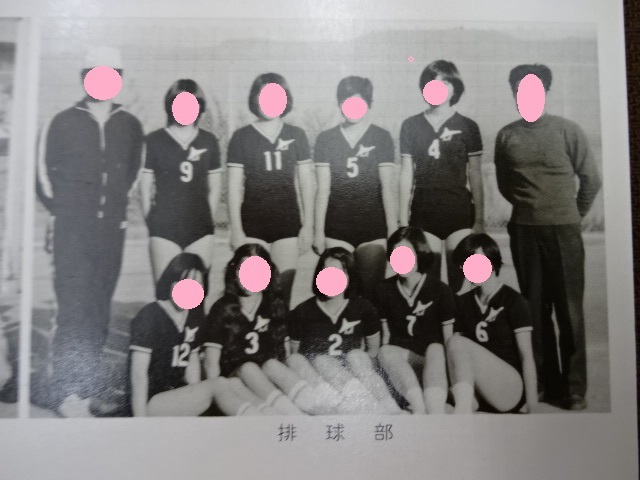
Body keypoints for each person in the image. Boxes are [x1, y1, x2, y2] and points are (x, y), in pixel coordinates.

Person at [35, 46, 144, 417]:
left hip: (111, 231)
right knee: (73, 307)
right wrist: (66, 212)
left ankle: (87, 390)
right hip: (71, 230)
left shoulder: (130, 125)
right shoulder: (62, 121)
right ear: (84, 78)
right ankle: (67, 393)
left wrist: (112, 211)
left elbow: (132, 174)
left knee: (99, 308)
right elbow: (42, 175)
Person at [494, 64, 602, 410]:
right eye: (519, 90)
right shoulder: (506, 136)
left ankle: (574, 388)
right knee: (534, 309)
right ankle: (544, 382)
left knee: (569, 310)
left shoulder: (568, 131)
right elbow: (505, 184)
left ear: (545, 92)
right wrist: (529, 209)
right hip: (525, 231)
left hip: (564, 230)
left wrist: (572, 215)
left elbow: (591, 179)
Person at [129, 253, 257, 417]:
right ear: (171, 281)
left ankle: (266, 415)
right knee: (218, 385)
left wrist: (197, 400)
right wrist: (140, 421)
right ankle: (257, 423)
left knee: (233, 383)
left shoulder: (193, 317)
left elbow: (192, 369)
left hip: (178, 397)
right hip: (152, 401)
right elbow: (138, 377)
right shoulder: (150, 315)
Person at [227, 73, 315, 306]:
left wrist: (308, 225)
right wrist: (236, 230)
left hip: (287, 223)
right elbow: (233, 187)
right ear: (255, 98)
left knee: (281, 296)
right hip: (251, 225)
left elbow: (307, 183)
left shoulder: (296, 134)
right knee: (249, 296)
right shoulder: (241, 137)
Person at [203, 244, 321, 415]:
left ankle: (316, 408)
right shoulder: (222, 308)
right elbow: (211, 363)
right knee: (248, 368)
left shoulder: (274, 306)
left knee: (276, 364)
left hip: (269, 381)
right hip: (237, 384)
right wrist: (217, 397)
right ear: (234, 272)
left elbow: (285, 353)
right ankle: (291, 415)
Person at [399, 60, 484, 294]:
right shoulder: (411, 125)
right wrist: (402, 219)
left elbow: (475, 174)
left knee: (462, 285)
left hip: (458, 213)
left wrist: (479, 219)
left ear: (455, 87)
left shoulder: (468, 126)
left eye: (445, 82)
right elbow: (406, 172)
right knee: (429, 285)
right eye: (432, 82)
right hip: (424, 212)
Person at [288, 247, 402, 414]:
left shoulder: (363, 308)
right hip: (321, 381)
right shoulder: (302, 311)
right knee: (320, 360)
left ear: (349, 276)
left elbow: (373, 351)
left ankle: (390, 409)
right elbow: (296, 354)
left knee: (357, 355)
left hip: (355, 375)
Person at [313, 76, 397, 299]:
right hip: (336, 228)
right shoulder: (326, 139)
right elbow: (323, 189)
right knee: (335, 294)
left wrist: (392, 232)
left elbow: (387, 189)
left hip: (373, 228)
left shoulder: (381, 137)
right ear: (339, 102)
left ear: (368, 103)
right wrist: (318, 231)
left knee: (371, 295)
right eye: (346, 100)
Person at [140, 79, 222, 282]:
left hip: (200, 228)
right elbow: (145, 186)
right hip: (164, 228)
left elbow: (215, 187)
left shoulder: (209, 141)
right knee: (165, 292)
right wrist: (152, 221)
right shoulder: (154, 140)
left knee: (196, 294)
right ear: (170, 105)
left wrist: (207, 219)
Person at [446, 234, 538, 414]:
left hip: (509, 388)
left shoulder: (513, 300)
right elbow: (456, 357)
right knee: (450, 345)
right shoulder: (463, 302)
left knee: (456, 342)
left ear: (492, 259)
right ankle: (466, 403)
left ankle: (462, 410)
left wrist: (532, 405)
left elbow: (526, 355)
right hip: (481, 390)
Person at [375, 227, 457, 414]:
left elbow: (449, 341)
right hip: (403, 366)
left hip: (434, 365)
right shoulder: (383, 289)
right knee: (385, 351)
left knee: (436, 348)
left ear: (420, 254)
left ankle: (435, 409)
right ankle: (419, 407)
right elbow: (385, 337)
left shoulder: (440, 290)